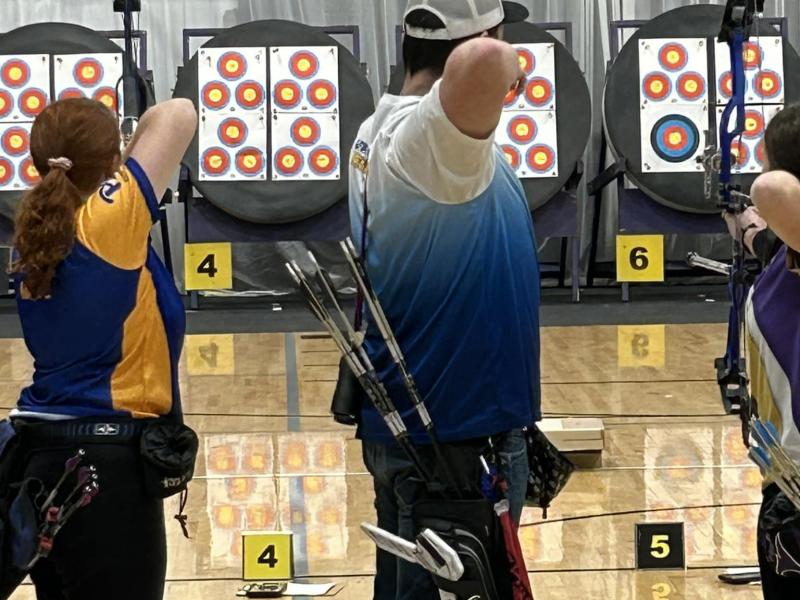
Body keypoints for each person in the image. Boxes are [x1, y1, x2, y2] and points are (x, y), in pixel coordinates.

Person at [348, 1, 540, 597]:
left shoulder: (382, 129)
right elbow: (485, 61)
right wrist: (501, 62)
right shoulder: (425, 143)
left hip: (435, 430)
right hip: (455, 442)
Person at [5, 97, 196, 600]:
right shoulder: (109, 221)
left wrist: (114, 158)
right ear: (111, 163)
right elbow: (178, 112)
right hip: (104, 471)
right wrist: (123, 158)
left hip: (44, 459)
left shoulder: (35, 233)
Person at [726, 103, 800, 599]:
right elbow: (769, 243)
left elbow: (773, 193)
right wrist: (747, 225)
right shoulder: (785, 256)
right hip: (786, 487)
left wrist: (765, 184)